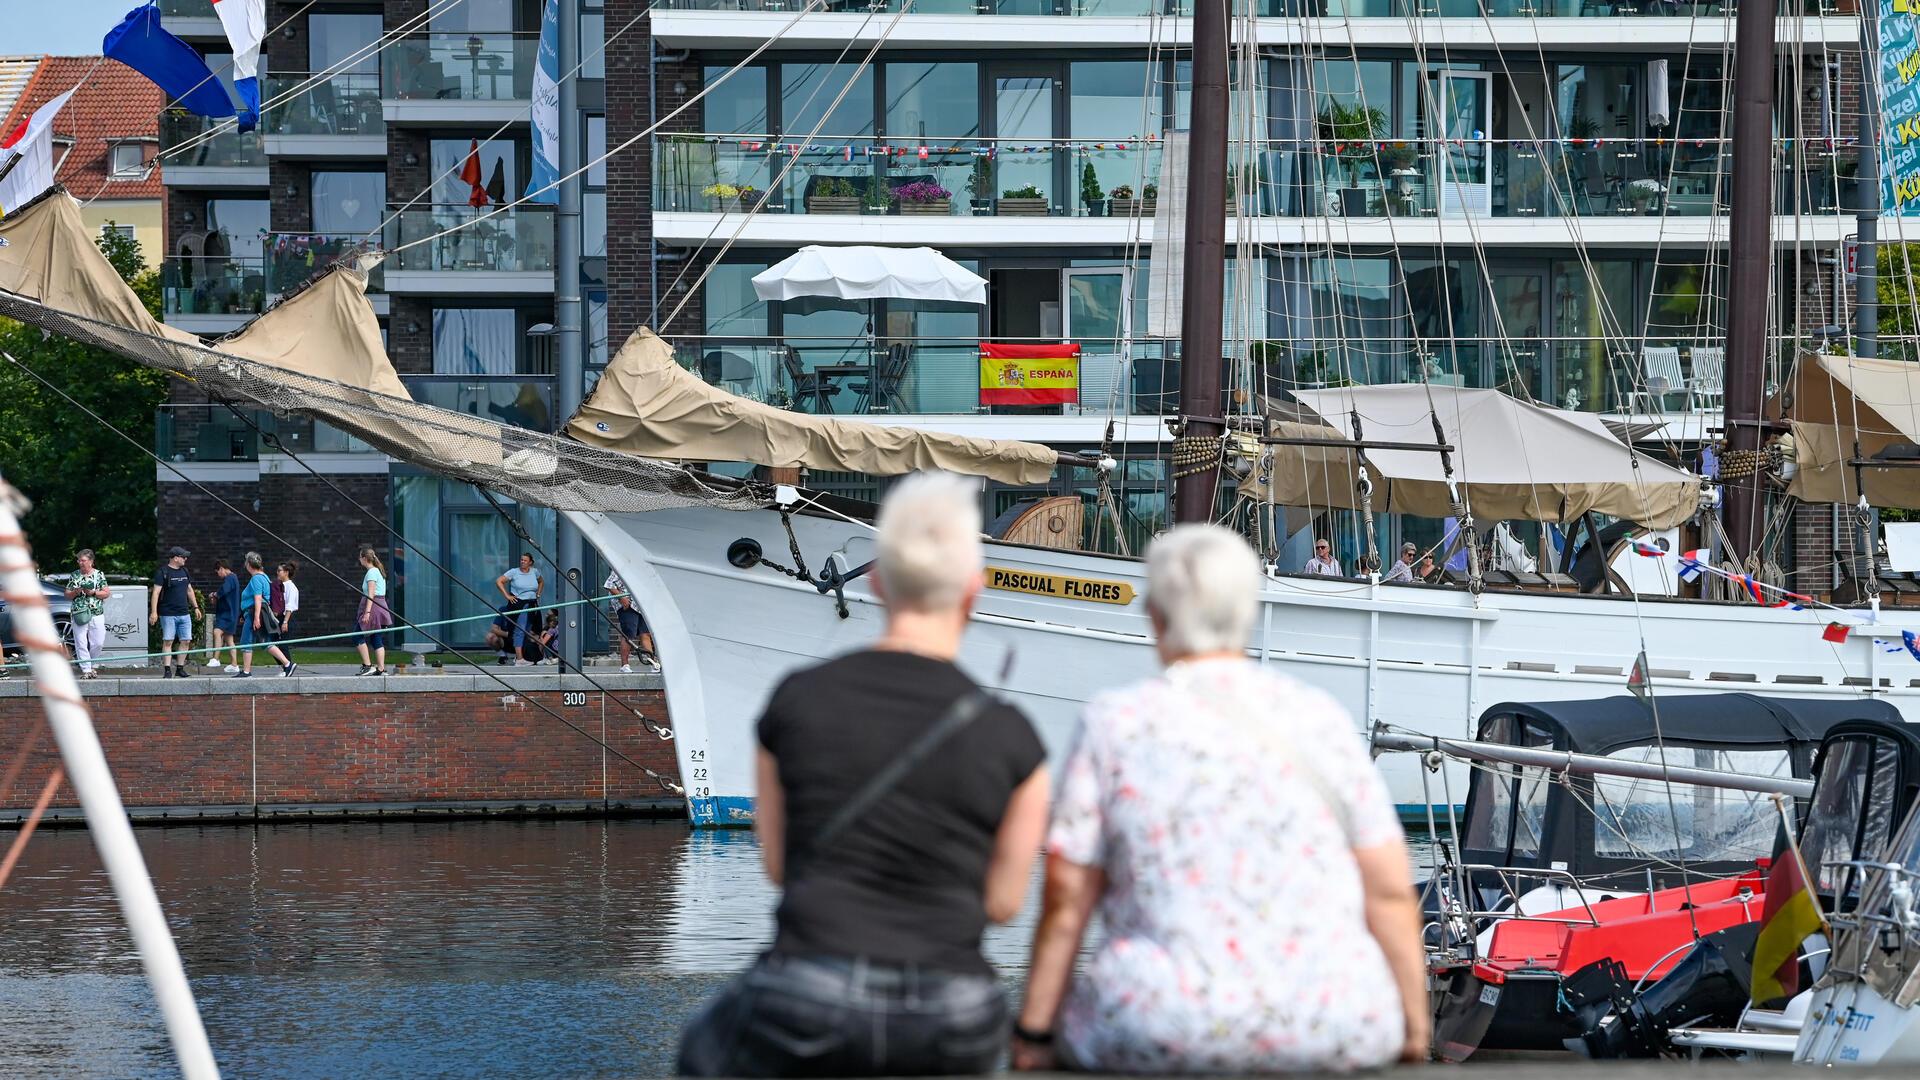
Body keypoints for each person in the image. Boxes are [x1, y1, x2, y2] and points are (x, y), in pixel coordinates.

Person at [1012, 524, 1428, 1074]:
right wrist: (1415, 1031)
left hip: (1164, 1021)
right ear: (1247, 613)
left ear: (1155, 618)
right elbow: (1389, 892)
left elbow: (1067, 897)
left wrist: (1033, 1032)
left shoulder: (1116, 722)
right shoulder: (1320, 718)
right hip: (1330, 1019)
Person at [678, 472, 1051, 1079]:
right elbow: (1006, 903)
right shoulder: (1013, 736)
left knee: (705, 1048)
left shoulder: (795, 700)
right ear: (973, 589)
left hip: (810, 990)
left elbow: (778, 865)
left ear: (876, 580)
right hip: (949, 1008)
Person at [149, 546, 202, 679]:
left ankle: (180, 668)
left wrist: (195, 607)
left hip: (184, 612)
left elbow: (189, 590)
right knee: (168, 641)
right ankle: (167, 669)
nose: (185, 559)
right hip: (168, 613)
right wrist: (154, 612)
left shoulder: (184, 571)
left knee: (186, 640)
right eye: (183, 557)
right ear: (175, 558)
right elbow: (156, 593)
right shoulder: (163, 572)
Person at [65, 549, 111, 680]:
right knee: (81, 642)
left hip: (96, 613)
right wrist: (76, 592)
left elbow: (107, 593)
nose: (80, 563)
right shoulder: (74, 575)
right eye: (79, 560)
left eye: (83, 560)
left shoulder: (99, 575)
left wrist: (93, 593)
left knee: (98, 642)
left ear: (91, 562)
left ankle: (92, 665)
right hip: (79, 613)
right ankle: (86, 670)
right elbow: (67, 594)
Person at [604, 568, 657, 673]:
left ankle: (653, 664)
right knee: (629, 634)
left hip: (641, 605)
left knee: (645, 634)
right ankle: (624, 665)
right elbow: (609, 585)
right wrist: (622, 598)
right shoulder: (621, 566)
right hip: (628, 606)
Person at [495, 553, 543, 666]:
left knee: (531, 630)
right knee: (520, 630)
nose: (522, 562)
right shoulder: (514, 572)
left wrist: (538, 593)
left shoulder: (534, 572)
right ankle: (520, 659)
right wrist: (507, 596)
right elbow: (499, 581)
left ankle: (532, 656)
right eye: (521, 560)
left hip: (532, 603)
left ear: (530, 562)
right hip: (519, 604)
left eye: (525, 560)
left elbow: (541, 581)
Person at [355, 549, 391, 676]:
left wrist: (367, 612)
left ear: (365, 558)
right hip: (379, 606)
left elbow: (371, 594)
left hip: (373, 607)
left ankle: (368, 665)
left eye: (360, 557)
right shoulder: (377, 571)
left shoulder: (371, 572)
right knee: (376, 637)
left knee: (357, 635)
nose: (359, 560)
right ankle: (381, 669)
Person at [268, 561, 300, 674]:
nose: (277, 573)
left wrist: (285, 621)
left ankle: (288, 667)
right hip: (279, 618)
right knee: (272, 643)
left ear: (286, 572)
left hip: (287, 618)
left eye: (279, 570)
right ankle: (285, 667)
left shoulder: (291, 587)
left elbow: (290, 606)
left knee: (283, 644)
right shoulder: (278, 585)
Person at [210, 559, 242, 671]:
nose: (218, 574)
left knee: (217, 632)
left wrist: (215, 594)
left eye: (217, 571)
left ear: (222, 568)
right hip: (232, 613)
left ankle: (216, 659)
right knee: (229, 639)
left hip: (227, 614)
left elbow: (224, 590)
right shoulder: (234, 578)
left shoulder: (230, 578)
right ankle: (234, 665)